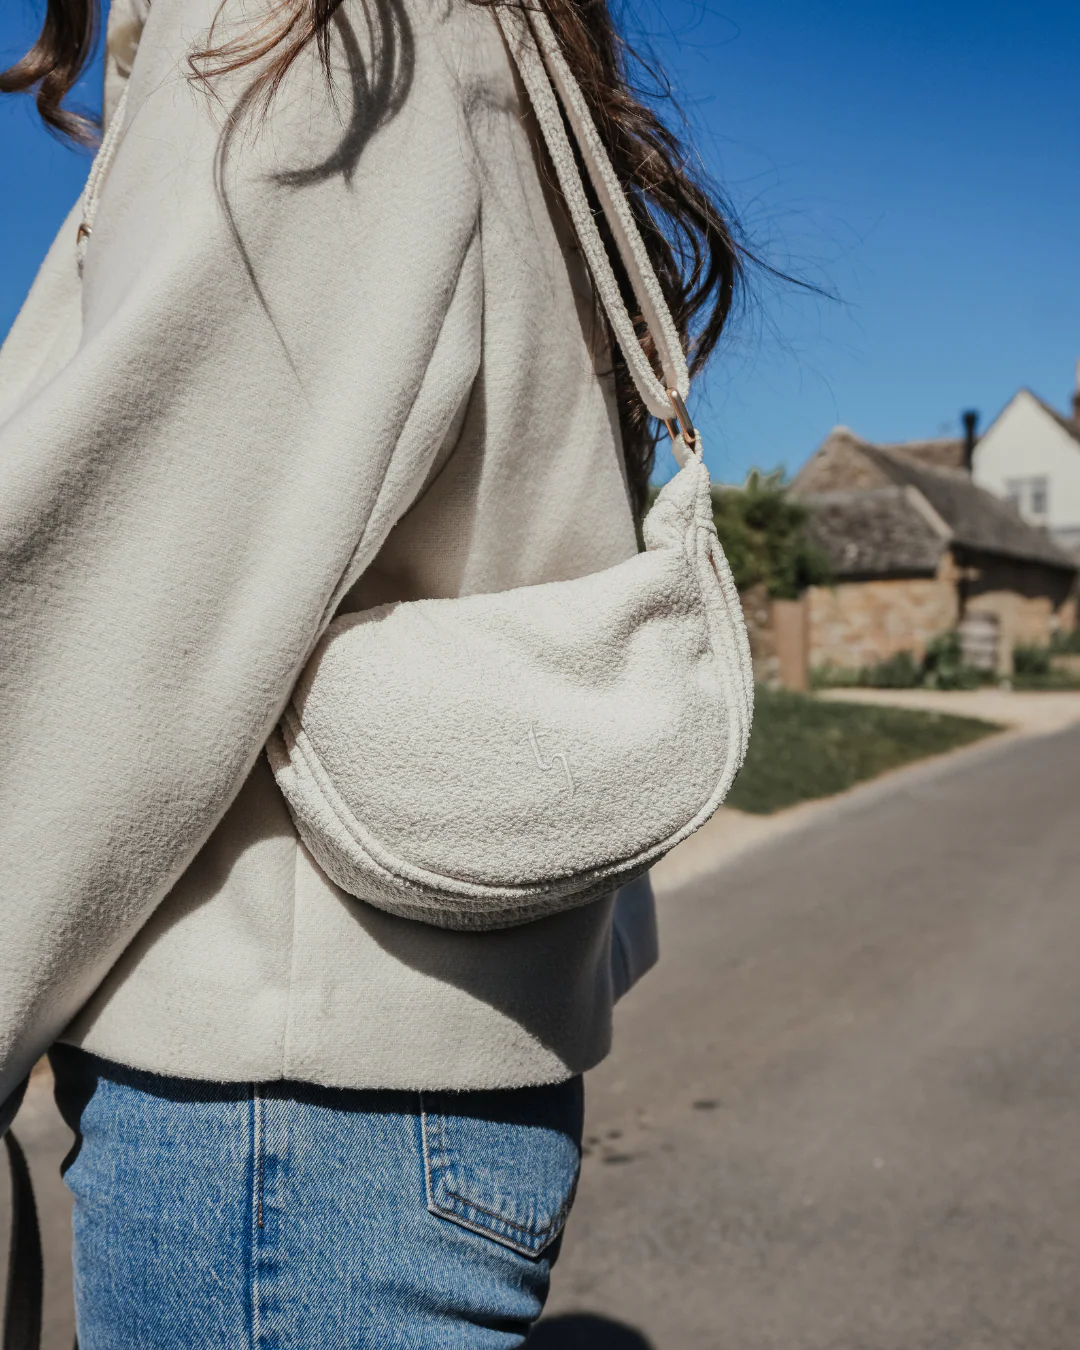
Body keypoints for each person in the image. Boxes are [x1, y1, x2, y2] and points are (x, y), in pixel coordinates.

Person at [0, 0, 742, 1342]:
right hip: (386, 1093)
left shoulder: (300, 36)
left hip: (276, 1120)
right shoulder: (474, 36)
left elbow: (128, 585)